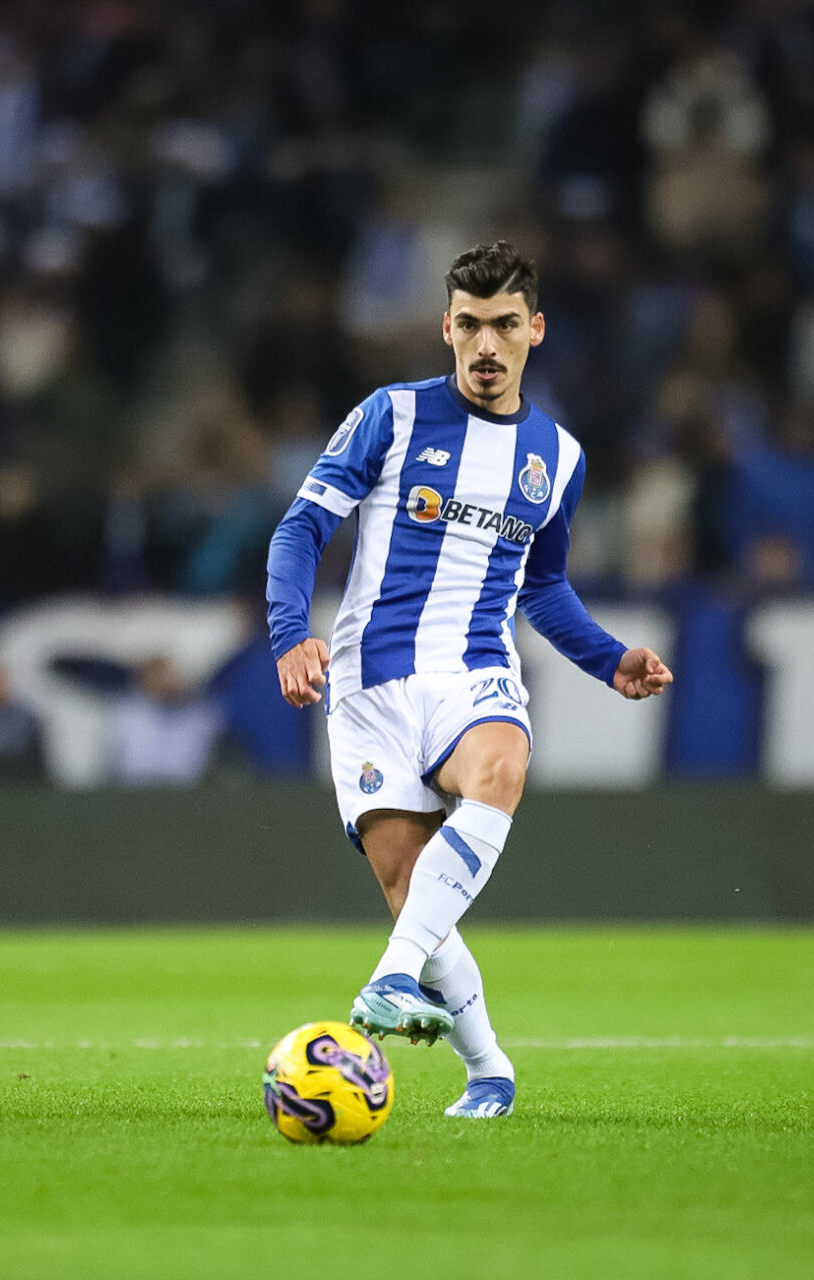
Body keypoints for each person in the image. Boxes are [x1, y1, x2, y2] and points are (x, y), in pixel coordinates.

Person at [264, 241, 672, 1119]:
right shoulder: (390, 416)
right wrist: (291, 634)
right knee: (414, 893)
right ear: (448, 328)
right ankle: (490, 1069)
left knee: (502, 768)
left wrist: (609, 658)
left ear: (536, 330)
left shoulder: (556, 458)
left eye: (506, 326)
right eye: (471, 326)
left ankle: (387, 982)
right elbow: (300, 529)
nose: (488, 346)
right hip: (370, 688)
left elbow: (546, 584)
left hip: (475, 671)